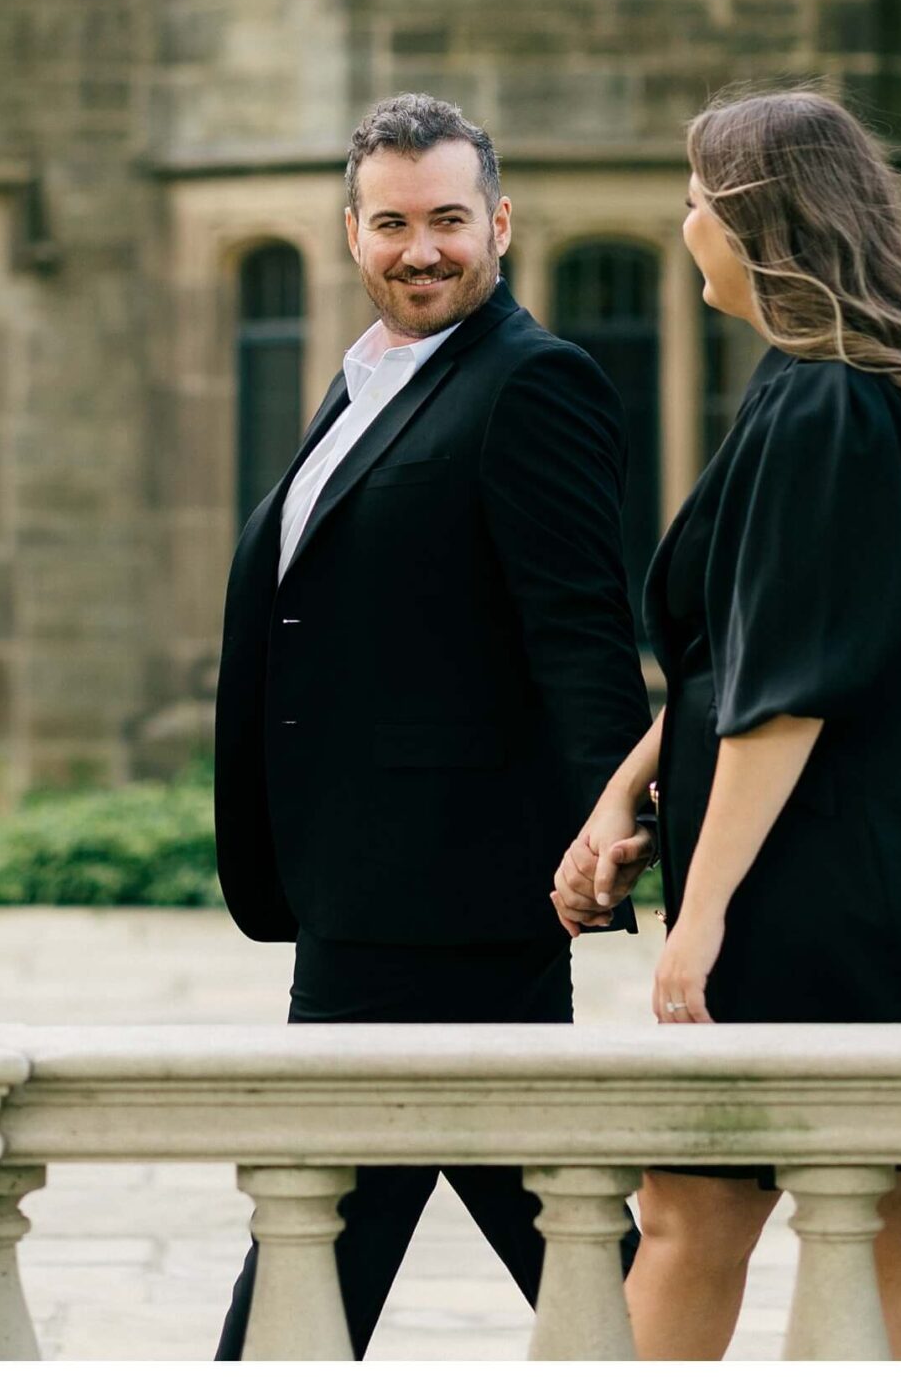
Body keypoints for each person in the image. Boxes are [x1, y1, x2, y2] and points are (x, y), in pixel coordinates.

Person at [549, 87, 901, 1362]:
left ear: (752, 222)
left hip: (834, 870)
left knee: (706, 1210)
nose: (683, 227)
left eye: (693, 201)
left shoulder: (830, 404)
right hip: (861, 854)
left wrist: (704, 913)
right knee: (864, 1217)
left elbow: (792, 695)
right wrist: (625, 792)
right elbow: (738, 659)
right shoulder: (820, 387)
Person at [213, 91, 652, 1360]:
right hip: (368, 880)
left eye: (449, 220)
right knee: (534, 1222)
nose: (423, 249)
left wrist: (608, 826)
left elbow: (578, 627)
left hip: (455, 889)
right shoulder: (365, 381)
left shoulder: (535, 382)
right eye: (393, 222)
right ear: (351, 232)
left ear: (500, 223)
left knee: (331, 1226)